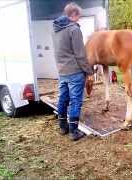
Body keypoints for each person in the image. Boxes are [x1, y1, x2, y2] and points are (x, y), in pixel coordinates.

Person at [53, 2, 93, 141]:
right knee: (75, 101)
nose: (79, 19)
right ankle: (74, 132)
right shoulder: (74, 29)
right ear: (73, 15)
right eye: (79, 16)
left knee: (63, 99)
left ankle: (63, 127)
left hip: (62, 71)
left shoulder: (56, 29)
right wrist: (89, 72)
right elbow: (80, 54)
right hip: (75, 72)